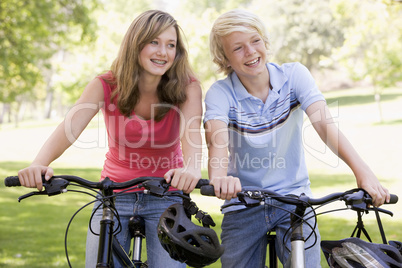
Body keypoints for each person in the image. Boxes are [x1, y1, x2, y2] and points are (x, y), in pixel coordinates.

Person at [204, 9, 390, 268]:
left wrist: (363, 173)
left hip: (294, 201)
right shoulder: (220, 93)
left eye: (255, 41)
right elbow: (217, 141)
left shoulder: (294, 76)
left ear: (265, 42)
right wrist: (218, 178)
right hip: (242, 203)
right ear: (224, 58)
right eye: (238, 48)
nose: (250, 51)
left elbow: (325, 125)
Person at [17, 10, 202, 268]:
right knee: (98, 263)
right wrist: (39, 163)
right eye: (154, 42)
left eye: (171, 45)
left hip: (165, 195)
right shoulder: (105, 84)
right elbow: (68, 128)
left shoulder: (187, 86)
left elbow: (192, 134)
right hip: (114, 195)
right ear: (136, 43)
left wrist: (192, 168)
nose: (163, 52)